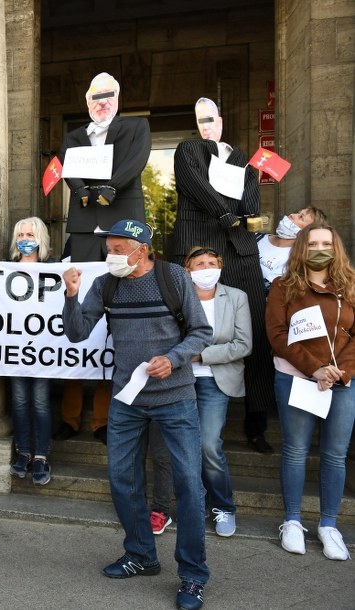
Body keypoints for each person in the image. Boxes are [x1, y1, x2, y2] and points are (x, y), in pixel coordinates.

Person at [62, 219, 211, 610]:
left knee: (188, 485)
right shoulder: (105, 284)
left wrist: (174, 358)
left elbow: (201, 332)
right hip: (127, 399)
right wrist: (70, 295)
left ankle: (193, 576)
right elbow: (77, 333)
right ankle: (142, 555)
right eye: (107, 249)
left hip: (175, 398)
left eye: (116, 249)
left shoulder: (174, 278)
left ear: (141, 250)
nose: (109, 256)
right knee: (121, 479)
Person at [171, 96, 274, 454]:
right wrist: (224, 214)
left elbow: (251, 207)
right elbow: (195, 186)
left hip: (241, 251)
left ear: (222, 119)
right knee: (188, 323)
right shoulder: (188, 149)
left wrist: (257, 181)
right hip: (200, 245)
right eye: (199, 120)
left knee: (255, 332)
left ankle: (256, 420)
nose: (206, 126)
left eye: (211, 119)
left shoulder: (243, 156)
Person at [57, 73, 150, 444]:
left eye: (109, 95)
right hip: (83, 223)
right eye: (96, 96)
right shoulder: (73, 137)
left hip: (122, 219)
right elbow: (69, 170)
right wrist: (82, 191)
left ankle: (104, 420)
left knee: (120, 312)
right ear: (87, 100)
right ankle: (70, 415)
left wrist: (112, 187)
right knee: (81, 307)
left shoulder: (136, 127)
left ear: (118, 97)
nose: (102, 102)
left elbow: (136, 161)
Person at [148, 247, 252, 538]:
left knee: (207, 445)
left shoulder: (236, 298)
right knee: (172, 446)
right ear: (187, 268)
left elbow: (243, 345)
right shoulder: (176, 294)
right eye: (199, 263)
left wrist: (200, 355)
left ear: (220, 266)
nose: (206, 267)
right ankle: (183, 505)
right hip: (176, 379)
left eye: (212, 263)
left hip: (214, 380)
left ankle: (223, 506)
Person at [265, 223, 355, 561]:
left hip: (343, 380)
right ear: (302, 247)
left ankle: (329, 525)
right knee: (296, 450)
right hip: (296, 377)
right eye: (313, 242)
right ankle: (292, 521)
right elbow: (277, 334)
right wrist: (314, 368)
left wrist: (340, 371)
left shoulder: (350, 284)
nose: (320, 248)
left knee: (334, 453)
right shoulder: (283, 286)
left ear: (336, 248)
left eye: (326, 243)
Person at [6, 217, 53, 485]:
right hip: (14, 349)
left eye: (30, 234)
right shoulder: (7, 268)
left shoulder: (52, 269)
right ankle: (23, 452)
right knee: (20, 402)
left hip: (43, 349)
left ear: (40, 238)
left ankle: (41, 456)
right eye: (21, 234)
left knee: (40, 402)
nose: (25, 239)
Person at [257, 206, 327, 294]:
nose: (292, 215)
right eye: (298, 213)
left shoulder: (293, 260)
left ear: (306, 232)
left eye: (301, 217)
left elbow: (263, 289)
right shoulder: (258, 237)